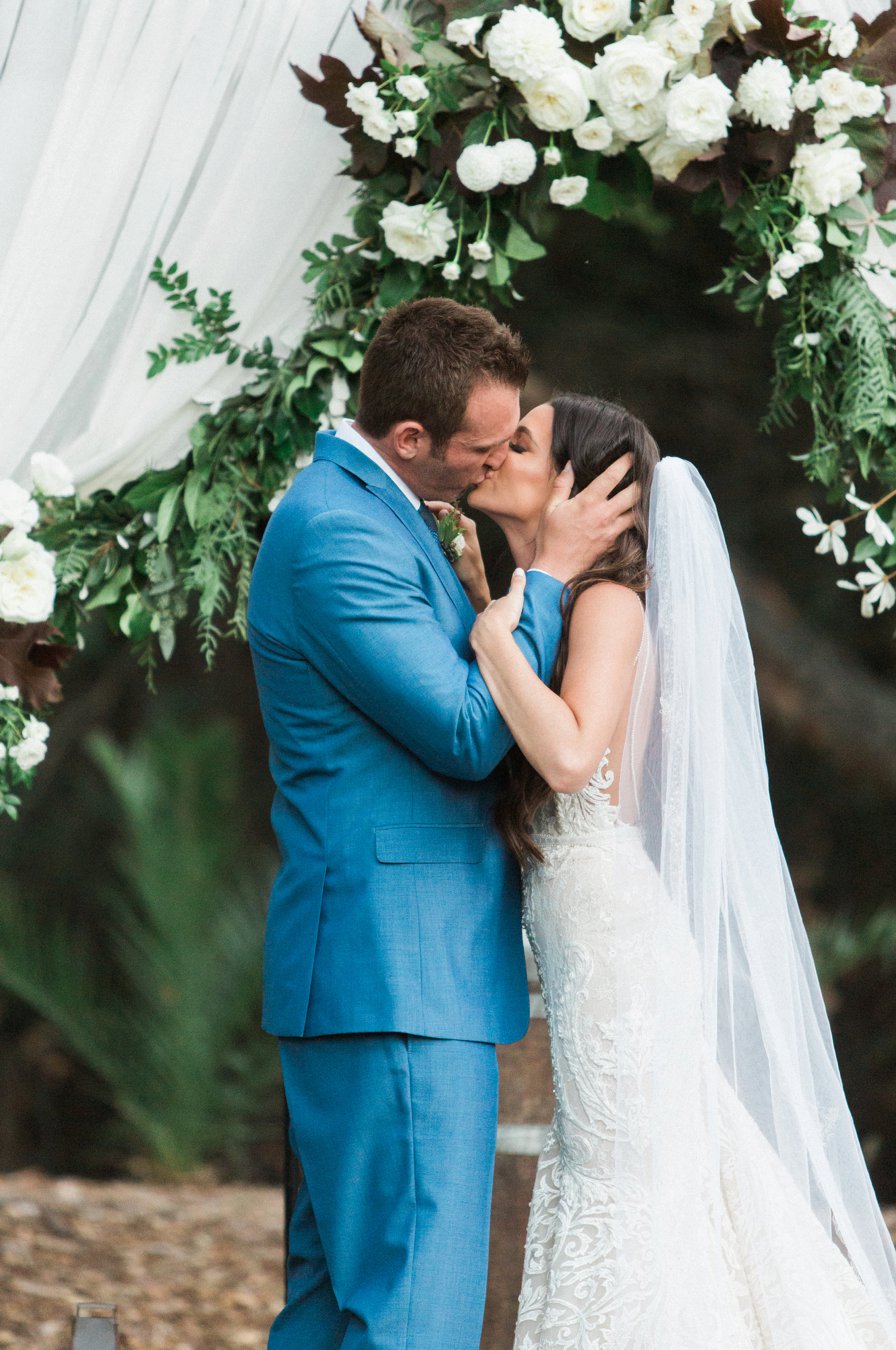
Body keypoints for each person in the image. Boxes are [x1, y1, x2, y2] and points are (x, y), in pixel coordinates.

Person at [438, 391, 896, 1347]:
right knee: (630, 1190)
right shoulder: (564, 603)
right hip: (593, 958)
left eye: (522, 442)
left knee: (628, 1200)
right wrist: (499, 606)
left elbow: (569, 759)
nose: (494, 452)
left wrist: (488, 636)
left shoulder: (609, 604)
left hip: (622, 968)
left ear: (584, 486)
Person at [246, 302, 639, 1349]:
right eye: (483, 448)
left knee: (336, 1309)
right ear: (410, 439)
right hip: (396, 970)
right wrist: (548, 577)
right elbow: (471, 733)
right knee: (412, 1313)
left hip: (385, 969)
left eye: (517, 442)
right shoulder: (339, 532)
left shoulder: (376, 516)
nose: (495, 463)